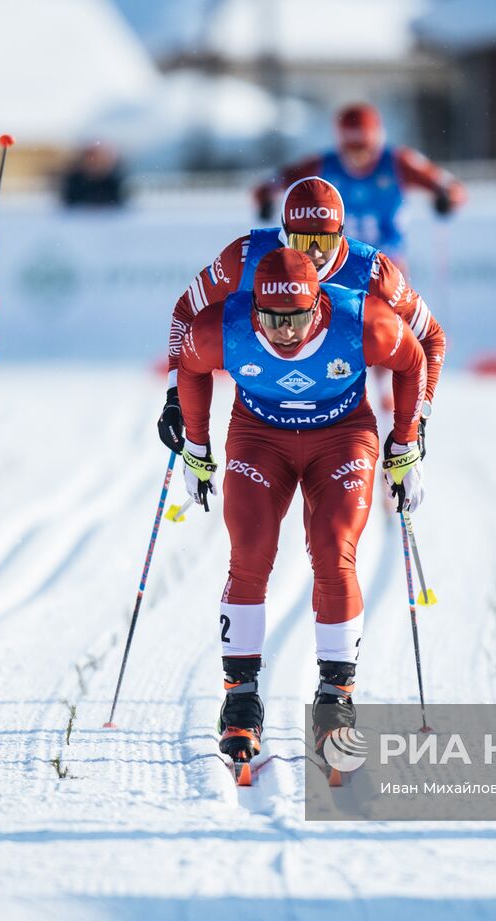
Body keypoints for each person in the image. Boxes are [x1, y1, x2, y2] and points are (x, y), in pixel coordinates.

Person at [175, 247, 427, 768]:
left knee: (335, 553)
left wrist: (406, 445)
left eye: (296, 318)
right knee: (249, 552)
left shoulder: (364, 321)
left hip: (341, 438)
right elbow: (189, 365)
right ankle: (240, 698)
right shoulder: (222, 328)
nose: (284, 331)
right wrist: (195, 449)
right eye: (271, 319)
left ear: (319, 305)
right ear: (254, 311)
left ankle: (336, 701)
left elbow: (414, 360)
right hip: (259, 439)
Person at [158, 176, 446, 457]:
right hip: (260, 419)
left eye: (326, 241)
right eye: (303, 239)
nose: (315, 253)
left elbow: (430, 336)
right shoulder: (245, 259)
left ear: (342, 233)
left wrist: (419, 415)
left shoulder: (372, 272)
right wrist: (175, 395)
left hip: (341, 417)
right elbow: (187, 312)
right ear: (283, 233)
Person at [252, 103, 466, 262]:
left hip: (387, 263)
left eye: (365, 149)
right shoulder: (323, 165)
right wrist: (265, 198)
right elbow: (272, 182)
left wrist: (446, 198)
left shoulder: (398, 162)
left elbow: (450, 186)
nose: (358, 157)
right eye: (351, 149)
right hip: (337, 263)